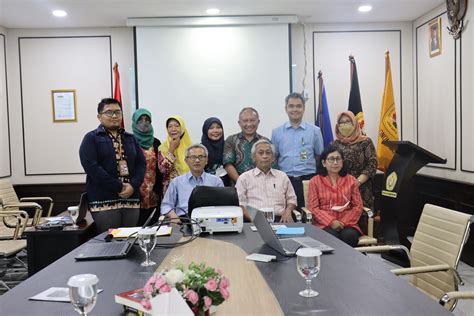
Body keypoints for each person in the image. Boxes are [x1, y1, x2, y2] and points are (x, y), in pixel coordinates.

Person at [79, 98, 145, 233]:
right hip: (104, 202)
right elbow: (92, 168)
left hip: (131, 199)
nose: (114, 116)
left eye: (117, 112)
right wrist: (119, 186)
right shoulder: (91, 138)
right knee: (109, 243)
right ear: (99, 117)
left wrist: (133, 185)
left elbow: (141, 164)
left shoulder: (130, 138)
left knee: (130, 240)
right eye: (109, 112)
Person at [271, 92, 324, 208]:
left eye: (299, 106)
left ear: (304, 108)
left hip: (308, 180)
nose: (295, 109)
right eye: (291, 106)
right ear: (286, 109)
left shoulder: (315, 131)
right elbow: (274, 157)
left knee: (308, 214)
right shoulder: (276, 132)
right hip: (285, 180)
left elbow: (319, 156)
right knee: (287, 215)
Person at [307, 145, 363, 247]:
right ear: (324, 163)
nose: (335, 162)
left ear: (342, 162)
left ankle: (350, 262)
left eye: (338, 159)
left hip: (348, 223)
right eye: (331, 159)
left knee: (349, 236)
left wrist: (343, 222)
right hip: (324, 224)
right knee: (331, 237)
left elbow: (358, 206)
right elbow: (313, 208)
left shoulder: (351, 180)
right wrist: (331, 222)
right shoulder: (315, 181)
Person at [236, 139, 297, 223]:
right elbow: (240, 204)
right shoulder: (244, 178)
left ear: (273, 157)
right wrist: (254, 219)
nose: (265, 156)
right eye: (260, 153)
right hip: (254, 221)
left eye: (268, 153)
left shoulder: (282, 176)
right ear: (254, 157)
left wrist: (288, 211)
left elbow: (292, 199)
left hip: (280, 220)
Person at [160, 144, 224, 221]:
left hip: (210, 220)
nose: (197, 160)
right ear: (186, 161)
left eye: (201, 157)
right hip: (183, 221)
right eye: (193, 157)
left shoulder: (216, 181)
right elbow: (165, 206)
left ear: (206, 160)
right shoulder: (177, 182)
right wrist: (173, 216)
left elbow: (222, 206)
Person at [332, 111, 377, 212]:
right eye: (341, 122)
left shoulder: (365, 142)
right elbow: (330, 165)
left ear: (355, 123)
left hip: (362, 188)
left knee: (361, 220)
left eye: (348, 121)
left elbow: (372, 164)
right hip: (340, 189)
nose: (344, 125)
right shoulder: (335, 144)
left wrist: (357, 183)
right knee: (341, 220)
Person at [131, 108, 163, 226]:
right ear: (134, 122)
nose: (144, 123)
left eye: (147, 120)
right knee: (136, 227)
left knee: (153, 226)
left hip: (152, 191)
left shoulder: (156, 142)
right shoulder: (129, 141)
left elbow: (160, 169)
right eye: (140, 120)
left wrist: (157, 190)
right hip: (135, 190)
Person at [223, 107, 270, 184]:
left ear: (258, 122)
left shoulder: (266, 142)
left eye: (252, 120)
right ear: (239, 123)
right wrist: (241, 182)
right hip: (237, 186)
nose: (249, 124)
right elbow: (228, 164)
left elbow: (271, 165)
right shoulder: (231, 140)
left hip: (262, 186)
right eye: (245, 121)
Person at [158, 115, 192, 196]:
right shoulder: (162, 148)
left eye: (177, 126)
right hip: (170, 191)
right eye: (170, 126)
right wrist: (172, 149)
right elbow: (163, 170)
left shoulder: (191, 147)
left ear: (182, 127)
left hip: (189, 188)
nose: (173, 129)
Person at [201, 117, 229, 186]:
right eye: (211, 128)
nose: (215, 131)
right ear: (205, 130)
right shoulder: (201, 149)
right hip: (205, 187)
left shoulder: (228, 147)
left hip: (227, 188)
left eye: (218, 127)